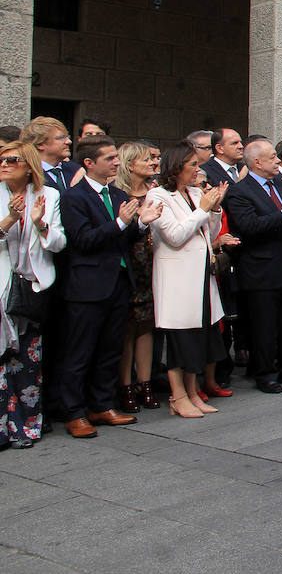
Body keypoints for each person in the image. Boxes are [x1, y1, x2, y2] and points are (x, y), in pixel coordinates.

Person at [58, 135, 162, 437]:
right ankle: (74, 412)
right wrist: (119, 223)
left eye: (117, 157)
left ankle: (101, 404)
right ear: (89, 163)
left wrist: (141, 224)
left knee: (109, 349)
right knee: (80, 352)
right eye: (110, 159)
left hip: (118, 282)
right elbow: (83, 240)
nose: (117, 163)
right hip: (87, 285)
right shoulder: (74, 197)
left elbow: (125, 238)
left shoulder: (116, 195)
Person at [221, 140, 282, 394]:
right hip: (261, 269)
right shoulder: (239, 192)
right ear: (257, 162)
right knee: (264, 325)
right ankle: (264, 373)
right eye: (273, 157)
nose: (278, 161)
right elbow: (250, 227)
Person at [146, 142, 231, 419]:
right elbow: (175, 236)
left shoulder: (195, 193)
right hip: (178, 280)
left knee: (201, 338)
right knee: (181, 340)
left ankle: (193, 392)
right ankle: (178, 396)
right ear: (176, 166)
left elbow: (210, 233)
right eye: (193, 164)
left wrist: (214, 209)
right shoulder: (157, 196)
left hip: (202, 278)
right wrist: (203, 210)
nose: (198, 169)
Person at [0, 140, 66, 449]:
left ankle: (25, 427)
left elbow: (58, 244)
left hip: (32, 287)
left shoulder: (48, 195)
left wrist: (40, 223)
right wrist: (12, 218)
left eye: (11, 159)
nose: (4, 164)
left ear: (28, 165)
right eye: (1, 159)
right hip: (1, 287)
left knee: (28, 360)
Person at [112, 141, 163, 414]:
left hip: (155, 264)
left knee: (147, 326)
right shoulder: (118, 194)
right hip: (131, 264)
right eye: (147, 160)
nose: (154, 163)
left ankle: (146, 383)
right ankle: (125, 385)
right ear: (130, 164)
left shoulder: (157, 192)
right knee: (128, 328)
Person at [22, 117, 79, 192]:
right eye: (61, 138)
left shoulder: (76, 170)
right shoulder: (27, 174)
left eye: (67, 137)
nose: (69, 141)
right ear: (40, 144)